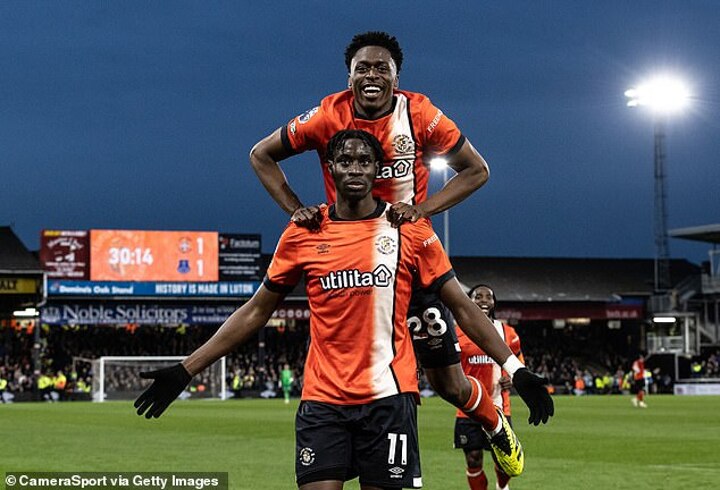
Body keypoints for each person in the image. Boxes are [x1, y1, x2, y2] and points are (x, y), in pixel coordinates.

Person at [136, 130, 552, 489]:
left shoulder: (410, 229)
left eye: (364, 161)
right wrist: (186, 369)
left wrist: (515, 369)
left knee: (452, 385)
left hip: (388, 400)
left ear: (378, 170)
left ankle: (494, 422)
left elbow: (461, 305)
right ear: (330, 168)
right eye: (345, 160)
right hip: (323, 401)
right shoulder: (303, 233)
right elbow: (256, 311)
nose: (355, 168)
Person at [249, 31, 539, 471]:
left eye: (381, 68)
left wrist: (422, 209)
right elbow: (261, 155)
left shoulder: (420, 114)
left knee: (449, 384)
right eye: (362, 68)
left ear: (396, 77)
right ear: (348, 77)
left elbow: (476, 170)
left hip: (409, 257)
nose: (371, 75)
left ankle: (495, 423)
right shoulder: (326, 116)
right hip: (350, 255)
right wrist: (295, 209)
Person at [454, 285, 525, 490]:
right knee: (473, 458)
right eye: (478, 296)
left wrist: (513, 378)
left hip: (499, 407)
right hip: (468, 408)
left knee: (503, 460)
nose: (484, 300)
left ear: (494, 303)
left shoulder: (508, 333)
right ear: (469, 301)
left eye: (488, 297)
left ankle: (502, 487)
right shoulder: (456, 332)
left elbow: (519, 363)